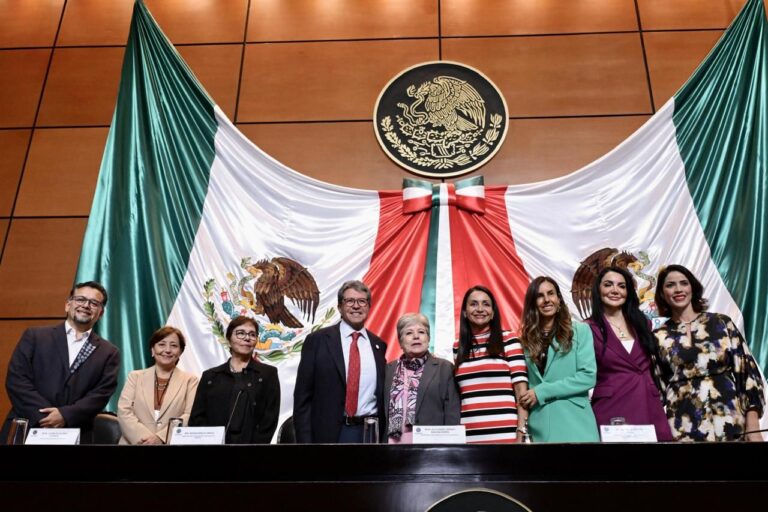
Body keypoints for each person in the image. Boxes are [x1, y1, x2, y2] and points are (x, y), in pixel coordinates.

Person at [653, 264, 765, 442]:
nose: (678, 289)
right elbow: (656, 389)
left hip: (730, 421)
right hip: (682, 426)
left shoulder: (721, 323)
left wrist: (753, 427)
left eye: (684, 283)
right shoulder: (658, 336)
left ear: (693, 288)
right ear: (662, 293)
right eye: (670, 285)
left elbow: (748, 374)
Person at [2, 281, 120, 442]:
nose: (86, 305)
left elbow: (101, 394)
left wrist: (64, 415)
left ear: (101, 313)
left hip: (76, 431)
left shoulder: (109, 352)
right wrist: (45, 416)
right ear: (67, 305)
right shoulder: (35, 336)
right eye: (80, 299)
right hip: (27, 425)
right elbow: (17, 380)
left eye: (94, 303)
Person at [294, 280, 387, 443]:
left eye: (362, 301)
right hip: (328, 435)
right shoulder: (317, 341)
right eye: (350, 301)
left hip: (369, 434)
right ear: (339, 307)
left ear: (368, 307)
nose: (356, 306)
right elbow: (303, 397)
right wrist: (305, 444)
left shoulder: (379, 345)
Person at [587, 267, 672, 441]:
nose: (615, 290)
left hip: (647, 403)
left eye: (621, 286)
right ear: (598, 290)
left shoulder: (644, 324)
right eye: (608, 285)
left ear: (628, 292)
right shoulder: (587, 328)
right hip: (612, 405)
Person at [518, 276, 599, 442]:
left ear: (559, 299)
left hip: (575, 422)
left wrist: (541, 391)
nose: (546, 300)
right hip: (538, 424)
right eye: (540, 296)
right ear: (533, 303)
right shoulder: (525, 340)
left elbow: (587, 376)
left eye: (551, 293)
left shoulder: (580, 331)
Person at [453, 285, 528, 443]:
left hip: (506, 435)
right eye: (473, 304)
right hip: (468, 437)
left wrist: (521, 430)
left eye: (486, 304)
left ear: (493, 312)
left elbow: (521, 392)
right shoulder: (457, 347)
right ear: (465, 312)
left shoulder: (509, 340)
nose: (480, 309)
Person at [189, 316, 280, 444]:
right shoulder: (210, 376)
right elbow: (197, 418)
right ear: (229, 338)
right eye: (240, 333)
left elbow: (270, 418)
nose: (247, 338)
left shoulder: (268, 374)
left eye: (252, 334)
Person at [384, 313, 460, 444]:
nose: (416, 336)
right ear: (400, 342)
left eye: (421, 332)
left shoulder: (445, 368)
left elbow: (452, 414)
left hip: (431, 447)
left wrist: (450, 448)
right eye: (409, 333)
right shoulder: (388, 370)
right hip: (392, 446)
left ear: (428, 338)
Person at [117, 326, 199, 444]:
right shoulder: (135, 377)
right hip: (134, 444)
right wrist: (147, 441)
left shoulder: (190, 381)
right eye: (161, 344)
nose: (167, 350)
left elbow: (189, 415)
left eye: (174, 345)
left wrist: (161, 438)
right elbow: (124, 411)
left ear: (180, 352)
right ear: (152, 349)